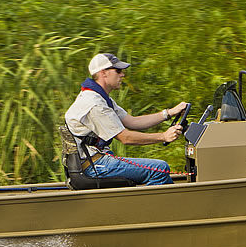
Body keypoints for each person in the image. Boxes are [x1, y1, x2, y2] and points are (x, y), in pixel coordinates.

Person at [64, 53, 188, 186]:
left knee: (160, 170)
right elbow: (125, 138)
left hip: (98, 160)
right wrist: (163, 136)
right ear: (103, 73)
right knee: (159, 169)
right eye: (118, 71)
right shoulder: (94, 104)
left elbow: (133, 122)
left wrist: (169, 113)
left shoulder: (101, 98)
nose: (122, 74)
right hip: (94, 165)